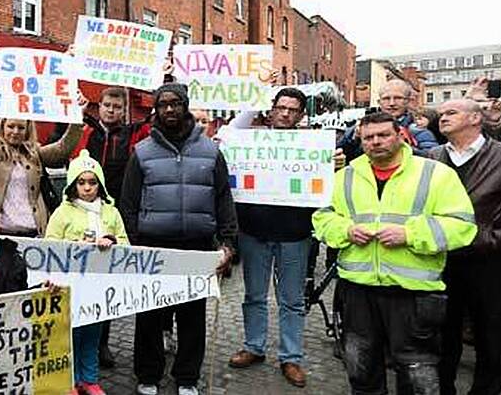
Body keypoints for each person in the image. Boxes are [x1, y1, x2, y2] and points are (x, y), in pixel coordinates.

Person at [313, 111, 477, 395]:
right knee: (360, 369)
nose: (376, 142)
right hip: (357, 289)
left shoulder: (435, 174)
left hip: (413, 292)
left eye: (383, 135)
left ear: (400, 136)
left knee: (417, 372)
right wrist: (346, 230)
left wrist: (410, 234)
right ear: (361, 140)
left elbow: (462, 226)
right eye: (368, 137)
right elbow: (322, 218)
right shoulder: (345, 176)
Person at [120, 82, 237, 395]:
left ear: (185, 106)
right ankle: (147, 375)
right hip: (152, 246)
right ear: (156, 110)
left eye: (175, 103)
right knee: (148, 316)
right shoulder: (142, 152)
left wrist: (227, 242)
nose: (169, 109)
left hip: (197, 246)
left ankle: (187, 378)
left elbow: (224, 198)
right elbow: (128, 203)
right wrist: (133, 242)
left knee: (191, 317)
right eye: (163, 105)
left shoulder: (211, 151)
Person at [227, 88, 314, 388]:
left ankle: (291, 357)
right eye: (281, 107)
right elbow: (230, 131)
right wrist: (256, 93)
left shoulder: (313, 145)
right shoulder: (251, 139)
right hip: (254, 231)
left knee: (292, 300)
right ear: (271, 109)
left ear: (302, 115)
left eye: (293, 109)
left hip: (295, 234)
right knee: (254, 296)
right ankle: (254, 346)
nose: (286, 113)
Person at [429, 100, 501, 395]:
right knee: (442, 334)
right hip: (443, 259)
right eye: (441, 113)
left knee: (491, 336)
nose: (443, 117)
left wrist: (491, 238)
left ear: (476, 118)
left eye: (451, 112)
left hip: (491, 262)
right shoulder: (434, 156)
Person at [70, 86, 149, 368]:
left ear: (124, 109)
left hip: (113, 215)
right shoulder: (85, 128)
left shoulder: (133, 134)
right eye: (107, 105)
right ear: (98, 105)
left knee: (104, 284)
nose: (112, 110)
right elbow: (66, 149)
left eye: (117, 106)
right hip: (78, 213)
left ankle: (100, 344)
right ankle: (71, 343)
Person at [46, 150, 128, 395]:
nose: (87, 188)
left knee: (93, 333)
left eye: (92, 182)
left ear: (100, 184)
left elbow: (126, 244)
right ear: (72, 185)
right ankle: (69, 381)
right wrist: (74, 246)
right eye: (81, 182)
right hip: (70, 286)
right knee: (69, 335)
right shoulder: (63, 212)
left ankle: (89, 379)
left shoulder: (111, 213)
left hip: (98, 286)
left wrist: (112, 240)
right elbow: (50, 244)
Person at [0, 84, 85, 237]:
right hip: (1, 232)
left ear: (27, 130)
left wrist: (77, 115)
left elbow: (62, 149)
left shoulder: (35, 153)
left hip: (34, 232)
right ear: (2, 126)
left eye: (21, 128)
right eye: (11, 126)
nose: (15, 132)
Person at [338, 79, 439, 160]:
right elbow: (338, 153)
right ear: (379, 102)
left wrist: (402, 146)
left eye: (398, 98)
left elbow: (432, 158)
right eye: (386, 99)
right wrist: (353, 139)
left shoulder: (418, 130)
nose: (391, 103)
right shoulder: (360, 127)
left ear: (407, 101)